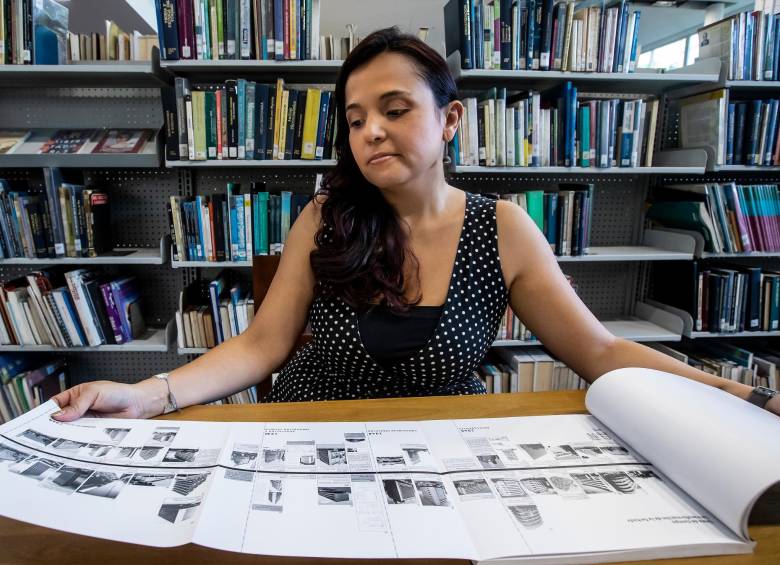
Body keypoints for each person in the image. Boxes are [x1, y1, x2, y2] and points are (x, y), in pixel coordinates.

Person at [51, 27, 780, 421]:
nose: (371, 132)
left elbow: (599, 350)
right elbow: (260, 345)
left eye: (395, 110)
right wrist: (146, 393)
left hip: (440, 453)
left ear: (450, 118)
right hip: (315, 443)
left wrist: (742, 397)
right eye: (357, 119)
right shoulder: (324, 218)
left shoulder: (504, 229)